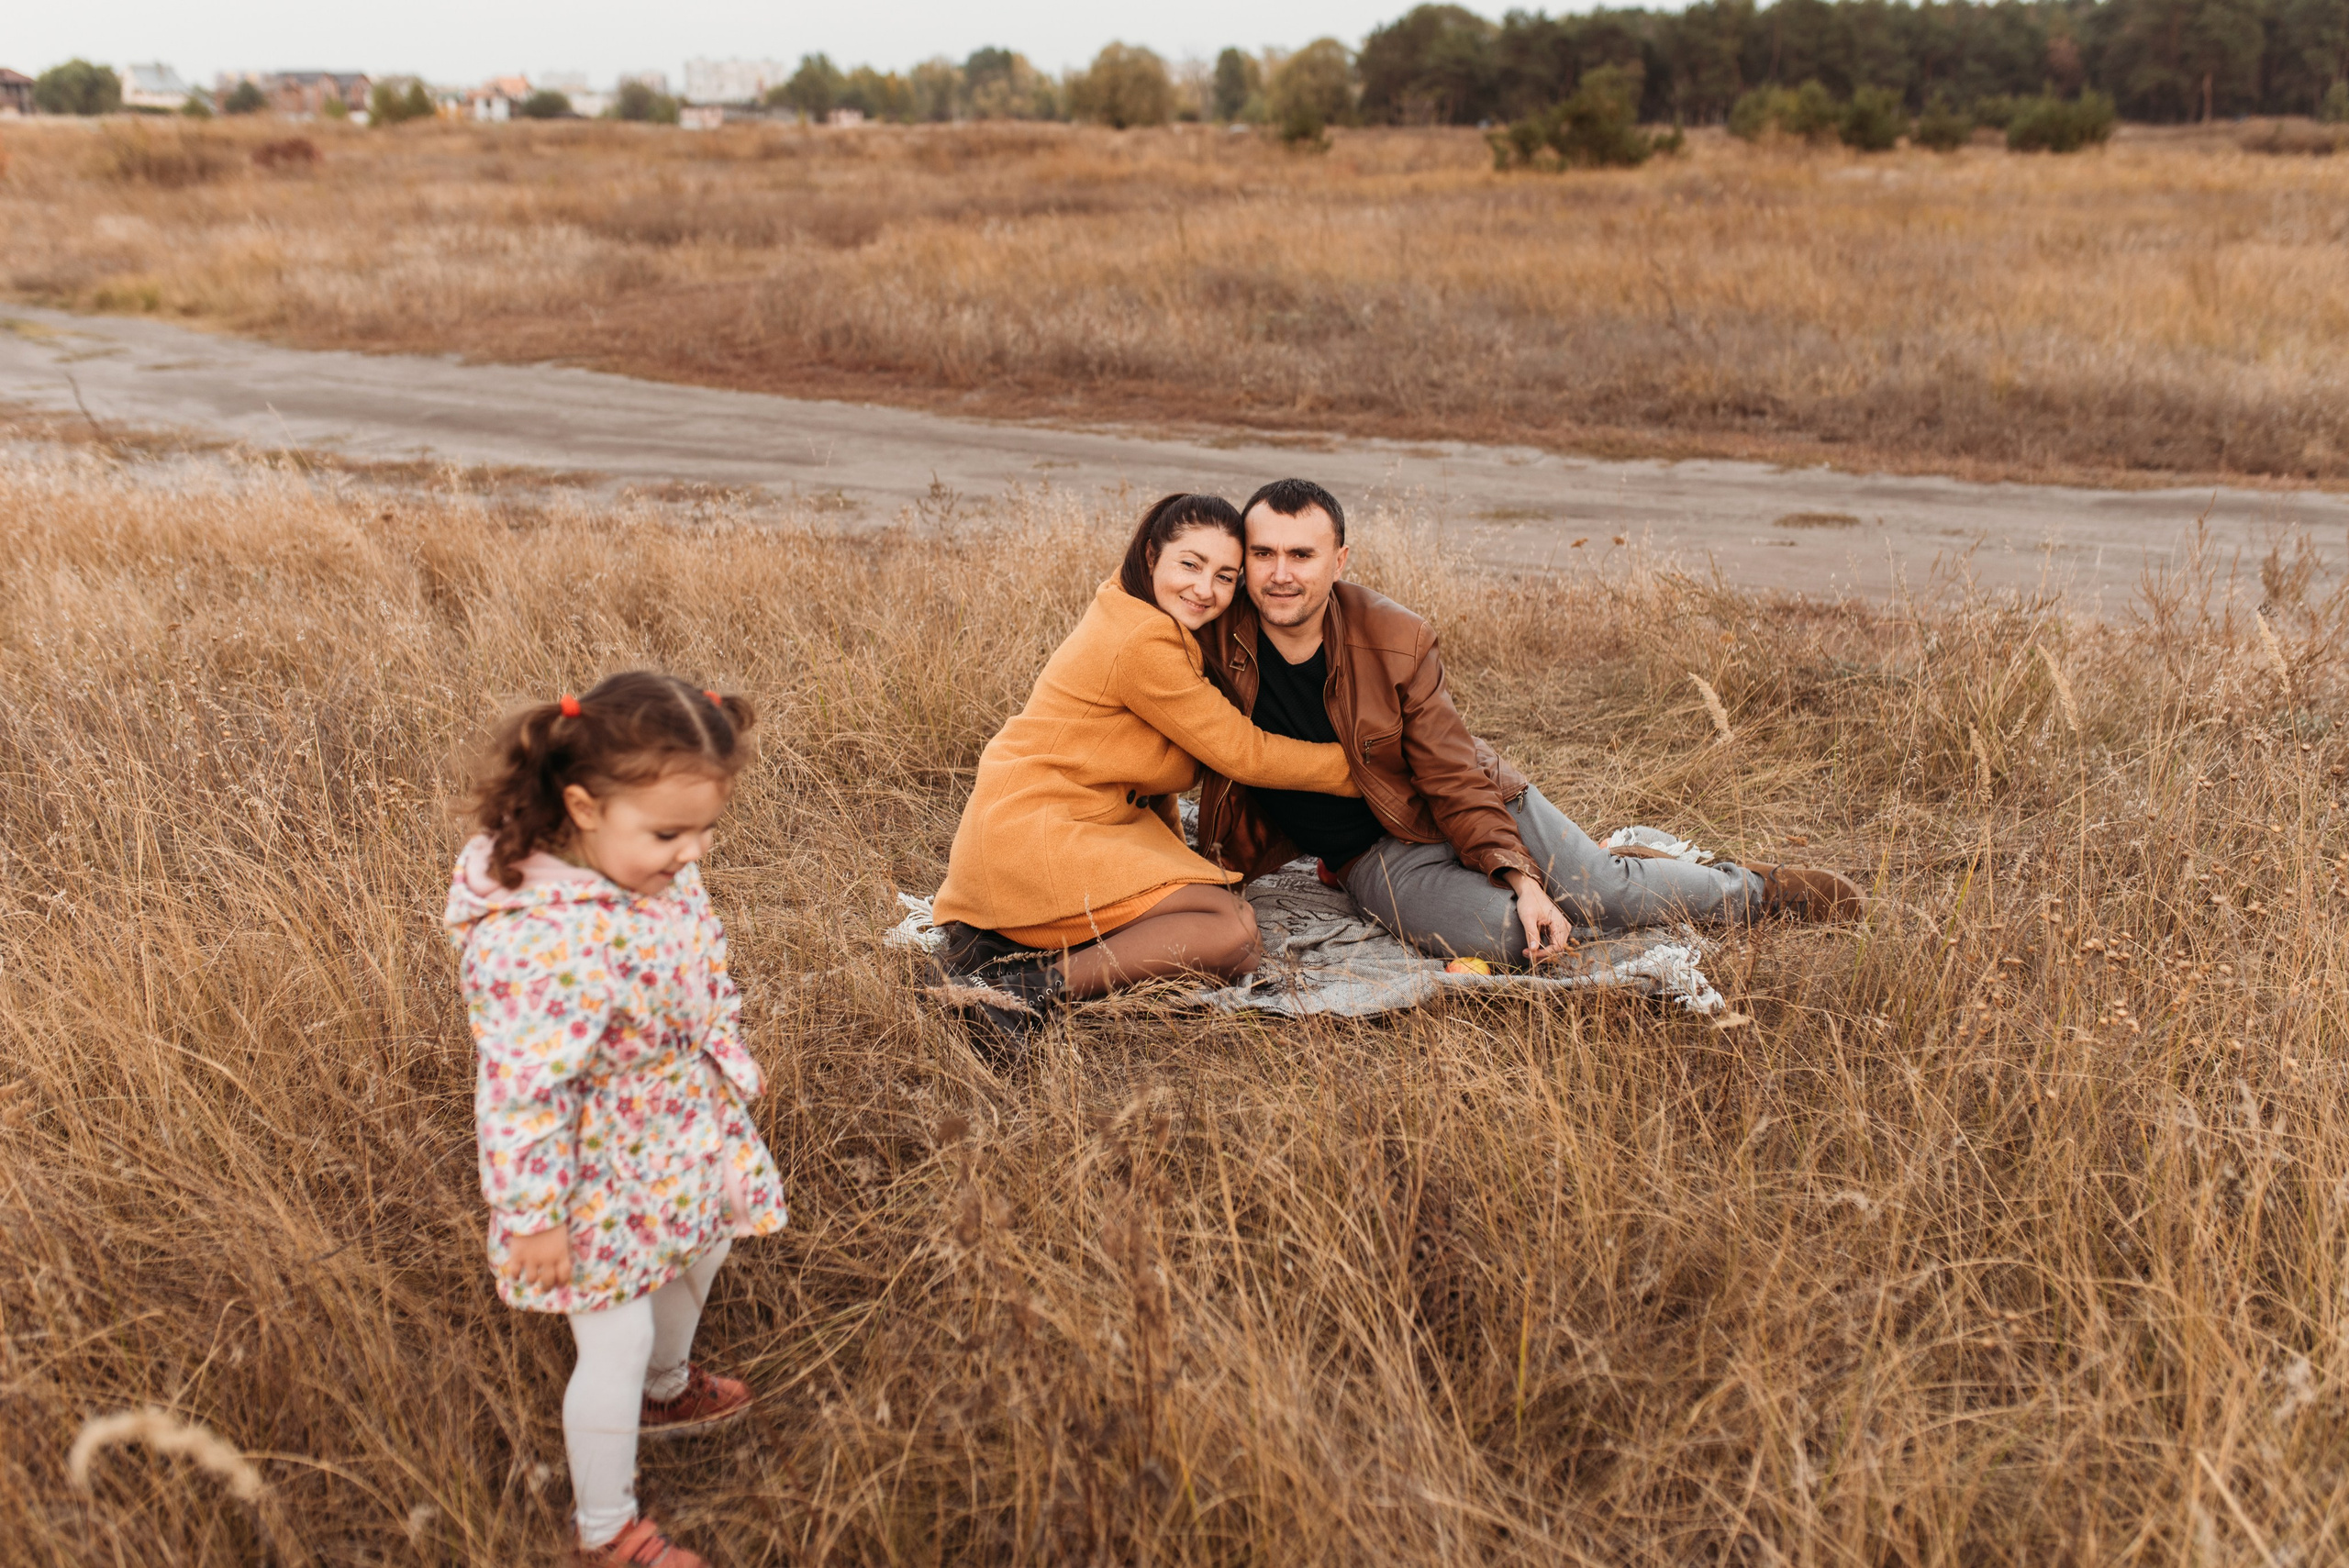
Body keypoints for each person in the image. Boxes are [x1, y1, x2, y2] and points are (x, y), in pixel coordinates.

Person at [1195, 478, 1863, 968]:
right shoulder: (1213, 635)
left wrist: (1522, 874)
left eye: (1302, 556)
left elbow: (1450, 771)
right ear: (1242, 558)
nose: (1281, 575)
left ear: (1339, 562)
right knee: (1516, 936)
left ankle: (1752, 888)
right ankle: (1595, 874)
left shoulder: (1396, 636)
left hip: (1470, 797)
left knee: (1594, 893)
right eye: (1264, 555)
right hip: (1375, 854)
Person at [444, 672, 786, 1568]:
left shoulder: (647, 869)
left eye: (705, 827)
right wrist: (534, 1217)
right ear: (583, 805)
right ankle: (605, 1530)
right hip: (590, 1165)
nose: (692, 851)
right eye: (669, 832)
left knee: (706, 1240)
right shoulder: (542, 936)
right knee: (618, 1328)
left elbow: (692, 956)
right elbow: (521, 1092)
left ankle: (665, 1392)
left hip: (674, 1123)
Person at [930, 493, 1358, 1039]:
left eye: (1226, 576)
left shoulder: (1145, 614)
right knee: (1233, 935)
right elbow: (1242, 752)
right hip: (1033, 832)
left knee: (1231, 922)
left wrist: (1177, 863)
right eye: (1191, 564)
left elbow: (1148, 783)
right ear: (1152, 554)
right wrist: (1358, 770)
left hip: (1065, 824)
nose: (1206, 590)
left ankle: (1003, 952)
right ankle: (1022, 989)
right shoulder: (1141, 639)